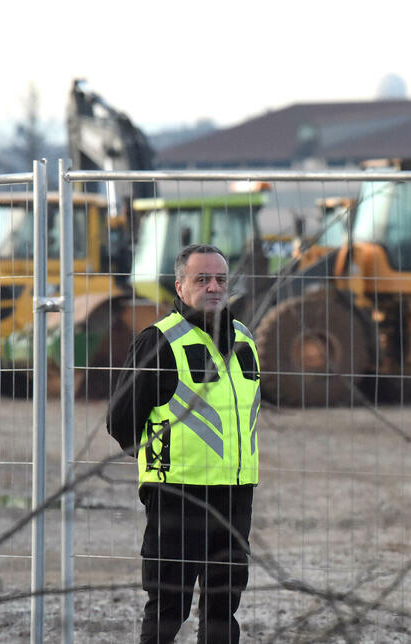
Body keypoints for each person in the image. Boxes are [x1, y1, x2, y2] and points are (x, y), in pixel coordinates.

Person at [107, 243, 261, 644]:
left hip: (235, 494)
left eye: (221, 279)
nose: (213, 287)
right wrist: (159, 463)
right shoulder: (158, 341)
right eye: (202, 279)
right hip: (178, 494)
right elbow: (121, 420)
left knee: (222, 610)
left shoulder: (245, 340)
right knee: (167, 610)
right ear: (179, 286)